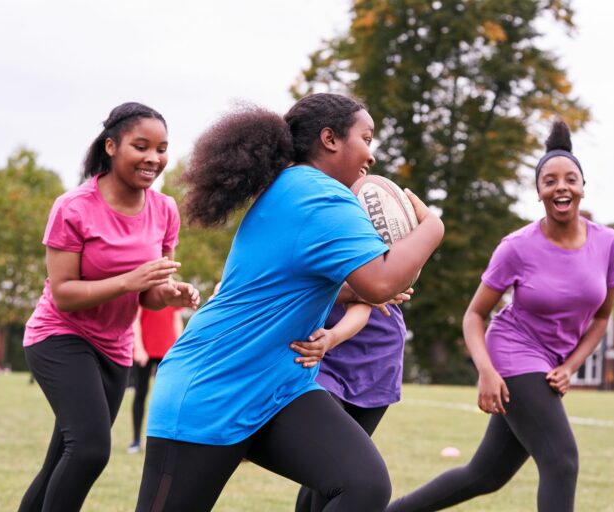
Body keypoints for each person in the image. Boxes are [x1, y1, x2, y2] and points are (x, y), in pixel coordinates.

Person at [135, 93, 445, 512]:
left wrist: (361, 288)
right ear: (330, 139)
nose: (370, 156)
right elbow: (380, 282)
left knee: (363, 484)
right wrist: (432, 227)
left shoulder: (293, 187)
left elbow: (296, 281)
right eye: (366, 138)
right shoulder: (320, 196)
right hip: (212, 388)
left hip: (279, 390)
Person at [386, 119, 614, 512]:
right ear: (539, 192)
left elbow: (602, 317)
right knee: (561, 462)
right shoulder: (516, 247)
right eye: (549, 181)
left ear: (582, 187)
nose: (560, 187)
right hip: (514, 352)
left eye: (570, 179)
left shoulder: (608, 243)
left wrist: (573, 366)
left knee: (486, 475)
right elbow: (474, 315)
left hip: (552, 362)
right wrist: (486, 371)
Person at [18, 102, 200, 512]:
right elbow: (63, 292)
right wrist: (128, 282)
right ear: (112, 146)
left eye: (161, 148)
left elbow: (150, 295)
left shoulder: (165, 209)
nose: (154, 158)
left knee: (61, 460)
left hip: (114, 347)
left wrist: (168, 294)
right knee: (89, 450)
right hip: (59, 336)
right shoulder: (74, 207)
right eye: (141, 146)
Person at [292, 298, 407, 512]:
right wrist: (360, 289)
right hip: (315, 348)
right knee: (333, 466)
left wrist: (374, 288)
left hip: (376, 352)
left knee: (336, 468)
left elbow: (393, 283)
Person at [128, 305, 184, 454]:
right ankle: (136, 441)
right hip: (145, 351)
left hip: (167, 351)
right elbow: (136, 319)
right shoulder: (145, 286)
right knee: (141, 394)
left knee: (168, 398)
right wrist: (138, 348)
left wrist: (179, 348)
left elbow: (176, 320)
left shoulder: (174, 288)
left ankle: (166, 442)